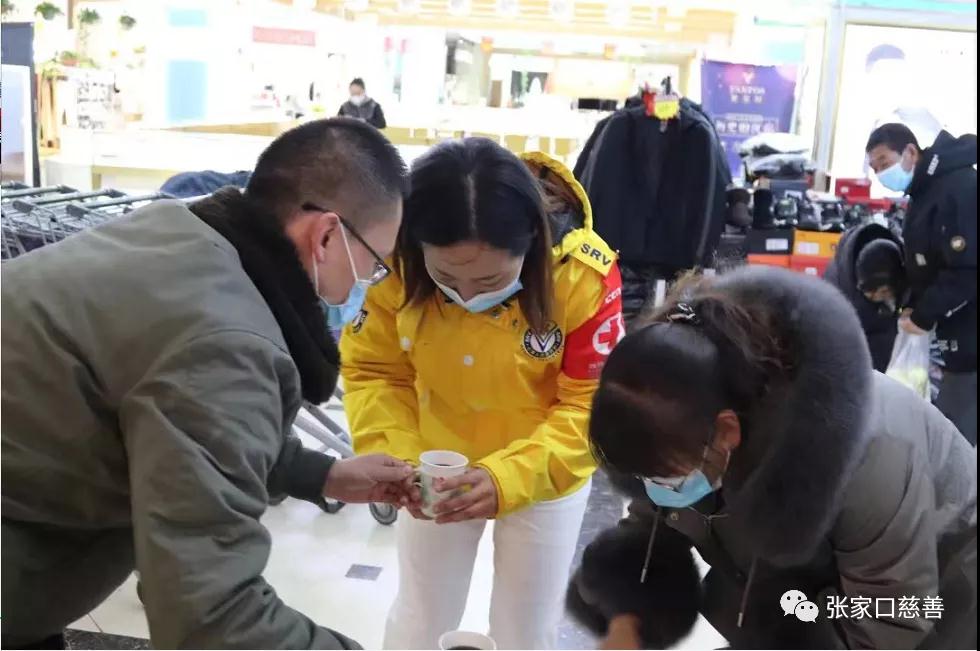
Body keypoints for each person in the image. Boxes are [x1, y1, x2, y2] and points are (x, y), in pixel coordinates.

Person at [1, 118, 413, 649]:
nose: (368, 285)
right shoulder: (228, 340)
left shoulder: (171, 233)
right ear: (327, 236)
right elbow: (211, 615)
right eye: (375, 265)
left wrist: (320, 474)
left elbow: (176, 421)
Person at [570, 265, 977, 649]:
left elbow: (886, 619)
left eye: (663, 477)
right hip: (812, 594)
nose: (655, 490)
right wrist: (628, 617)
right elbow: (655, 524)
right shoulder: (686, 417)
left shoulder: (872, 452)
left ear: (727, 432)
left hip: (945, 601)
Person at [340, 140, 625, 649]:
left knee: (526, 628)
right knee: (422, 616)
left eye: (491, 279)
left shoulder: (582, 274)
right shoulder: (397, 262)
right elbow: (375, 371)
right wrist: (400, 461)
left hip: (546, 467)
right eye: (446, 277)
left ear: (532, 242)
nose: (467, 296)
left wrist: (507, 479)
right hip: (433, 462)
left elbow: (591, 404)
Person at [866, 123, 977, 444]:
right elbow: (928, 261)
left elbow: (968, 269)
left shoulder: (959, 187)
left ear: (910, 152)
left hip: (970, 334)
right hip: (953, 333)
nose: (881, 174)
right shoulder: (923, 192)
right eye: (875, 169)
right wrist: (911, 303)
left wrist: (924, 315)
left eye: (884, 163)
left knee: (955, 435)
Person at [824, 222, 906, 372]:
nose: (878, 297)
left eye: (884, 292)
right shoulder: (836, 290)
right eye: (873, 292)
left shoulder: (898, 265)